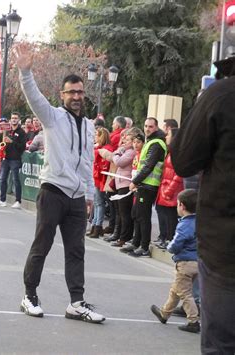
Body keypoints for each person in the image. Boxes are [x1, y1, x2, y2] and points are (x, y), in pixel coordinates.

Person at [17, 46, 104, 323]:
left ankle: (76, 303)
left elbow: (88, 160)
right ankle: (29, 295)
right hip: (53, 190)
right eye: (72, 92)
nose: (77, 97)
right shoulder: (52, 116)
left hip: (77, 197)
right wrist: (25, 71)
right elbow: (33, 96)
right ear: (62, 95)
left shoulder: (89, 125)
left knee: (76, 250)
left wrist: (89, 193)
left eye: (80, 92)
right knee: (42, 244)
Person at [170, 56, 235, 354]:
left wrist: (199, 108)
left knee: (221, 342)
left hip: (226, 247)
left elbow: (184, 160)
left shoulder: (221, 95)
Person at [151, 189, 200, 333]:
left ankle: (193, 320)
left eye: (178, 204)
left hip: (185, 263)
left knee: (185, 293)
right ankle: (164, 313)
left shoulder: (184, 225)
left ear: (182, 206)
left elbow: (177, 242)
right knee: (176, 290)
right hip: (198, 262)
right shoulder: (200, 222)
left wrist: (170, 247)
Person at [120, 117, 167, 257]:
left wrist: (135, 181)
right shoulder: (151, 141)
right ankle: (136, 242)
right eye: (146, 126)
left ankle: (144, 247)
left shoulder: (157, 143)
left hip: (149, 185)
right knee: (137, 214)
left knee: (143, 217)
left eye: (151, 126)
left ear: (156, 128)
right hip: (143, 184)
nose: (147, 129)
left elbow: (149, 166)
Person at [154, 128, 183, 249]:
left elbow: (178, 174)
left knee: (170, 216)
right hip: (165, 187)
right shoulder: (171, 151)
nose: (166, 137)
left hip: (171, 189)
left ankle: (170, 239)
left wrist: (170, 190)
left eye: (168, 135)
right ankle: (164, 237)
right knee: (162, 211)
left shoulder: (177, 153)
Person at [0, 112, 26, 208]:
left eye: (15, 118)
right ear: (10, 120)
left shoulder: (21, 132)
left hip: (15, 159)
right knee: (2, 179)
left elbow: (22, 147)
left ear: (18, 120)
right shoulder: (7, 130)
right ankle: (2, 199)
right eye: (12, 118)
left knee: (15, 180)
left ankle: (18, 201)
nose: (14, 119)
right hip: (6, 158)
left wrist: (12, 142)